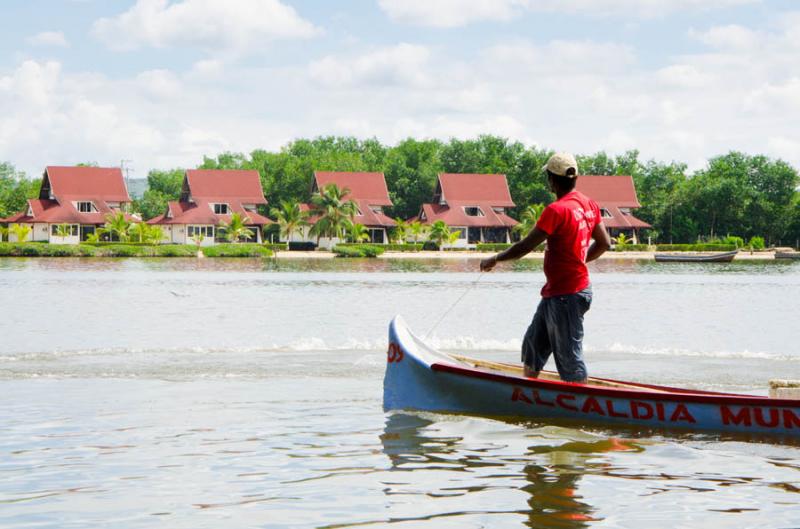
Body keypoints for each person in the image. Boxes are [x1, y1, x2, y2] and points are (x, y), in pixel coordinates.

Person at [480, 152, 611, 383]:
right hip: (558, 292)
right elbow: (604, 243)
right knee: (533, 343)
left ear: (552, 180)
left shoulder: (557, 210)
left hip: (568, 295)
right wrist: (580, 259)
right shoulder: (588, 204)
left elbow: (524, 247)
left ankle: (579, 406)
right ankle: (528, 391)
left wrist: (495, 259)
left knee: (569, 359)